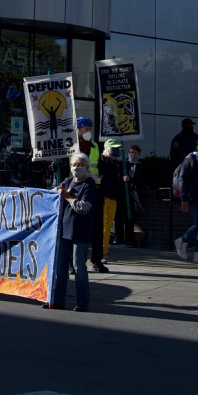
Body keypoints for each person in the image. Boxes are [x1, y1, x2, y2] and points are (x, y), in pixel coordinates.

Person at [45, 151, 98, 312]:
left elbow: (83, 208)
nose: (77, 167)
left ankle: (82, 302)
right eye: (74, 164)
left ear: (87, 167)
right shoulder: (67, 182)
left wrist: (67, 197)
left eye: (80, 164)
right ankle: (57, 300)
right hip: (64, 230)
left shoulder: (89, 185)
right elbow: (52, 196)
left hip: (80, 232)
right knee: (60, 267)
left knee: (79, 267)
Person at [76, 117, 109, 273]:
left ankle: (97, 260)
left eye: (90, 128)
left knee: (97, 227)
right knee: (75, 227)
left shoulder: (96, 146)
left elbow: (101, 167)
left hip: (94, 189)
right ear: (79, 130)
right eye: (85, 128)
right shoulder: (72, 146)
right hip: (76, 190)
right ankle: (73, 262)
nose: (88, 131)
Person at [99, 139, 127, 248]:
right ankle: (100, 250)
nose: (116, 151)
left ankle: (104, 250)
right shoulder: (101, 162)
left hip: (113, 197)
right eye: (114, 148)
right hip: (104, 196)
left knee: (108, 225)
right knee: (101, 224)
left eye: (117, 149)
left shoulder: (117, 163)